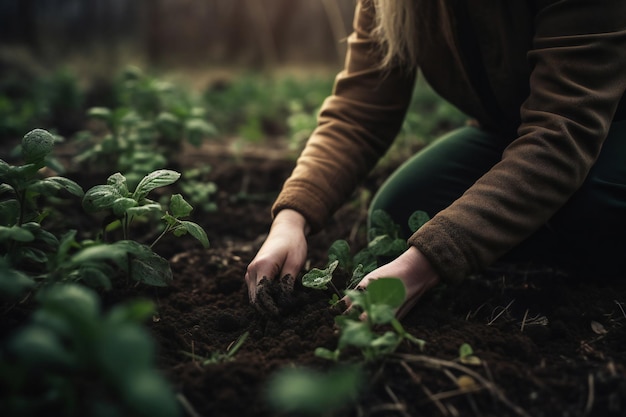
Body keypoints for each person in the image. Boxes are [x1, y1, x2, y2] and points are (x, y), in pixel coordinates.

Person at [245, 0, 626, 317]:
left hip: (603, 126)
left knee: (595, 205)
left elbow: (563, 129)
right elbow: (358, 111)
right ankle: (540, 224)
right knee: (402, 210)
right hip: (511, 131)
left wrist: (426, 264)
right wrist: (291, 220)